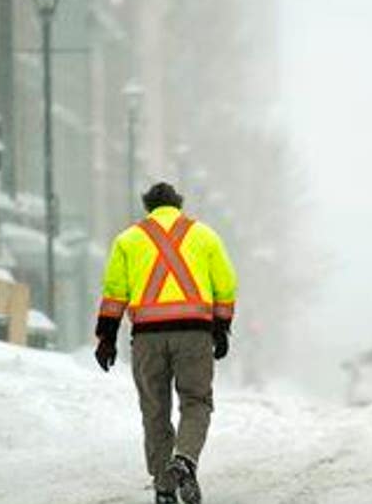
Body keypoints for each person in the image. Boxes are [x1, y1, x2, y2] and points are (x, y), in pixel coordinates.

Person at [95, 182, 238, 504]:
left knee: (154, 410)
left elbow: (114, 291)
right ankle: (185, 459)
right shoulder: (204, 235)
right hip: (194, 335)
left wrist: (106, 336)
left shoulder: (128, 239)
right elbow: (225, 285)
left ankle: (163, 487)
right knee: (196, 401)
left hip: (147, 337)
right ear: (178, 205)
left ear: (148, 207)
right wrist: (222, 327)